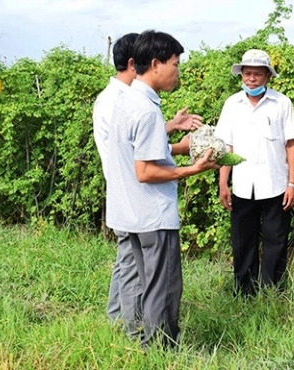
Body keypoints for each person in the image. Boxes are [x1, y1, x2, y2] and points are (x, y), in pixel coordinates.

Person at [105, 30, 218, 348]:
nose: (177, 71)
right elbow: (146, 170)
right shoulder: (147, 110)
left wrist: (176, 147)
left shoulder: (128, 100)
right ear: (155, 64)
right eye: (175, 64)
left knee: (147, 284)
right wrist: (192, 169)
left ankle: (145, 342)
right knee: (164, 288)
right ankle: (162, 349)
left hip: (132, 214)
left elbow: (139, 153)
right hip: (153, 215)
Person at [215, 49, 294, 297]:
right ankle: (244, 292)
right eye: (247, 73)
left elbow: (291, 144)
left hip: (275, 183)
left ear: (267, 77)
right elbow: (226, 147)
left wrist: (292, 183)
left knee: (276, 240)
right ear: (241, 75)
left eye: (257, 74)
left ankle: (272, 291)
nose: (252, 79)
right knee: (242, 241)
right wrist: (223, 182)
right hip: (242, 184)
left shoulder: (281, 103)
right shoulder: (232, 104)